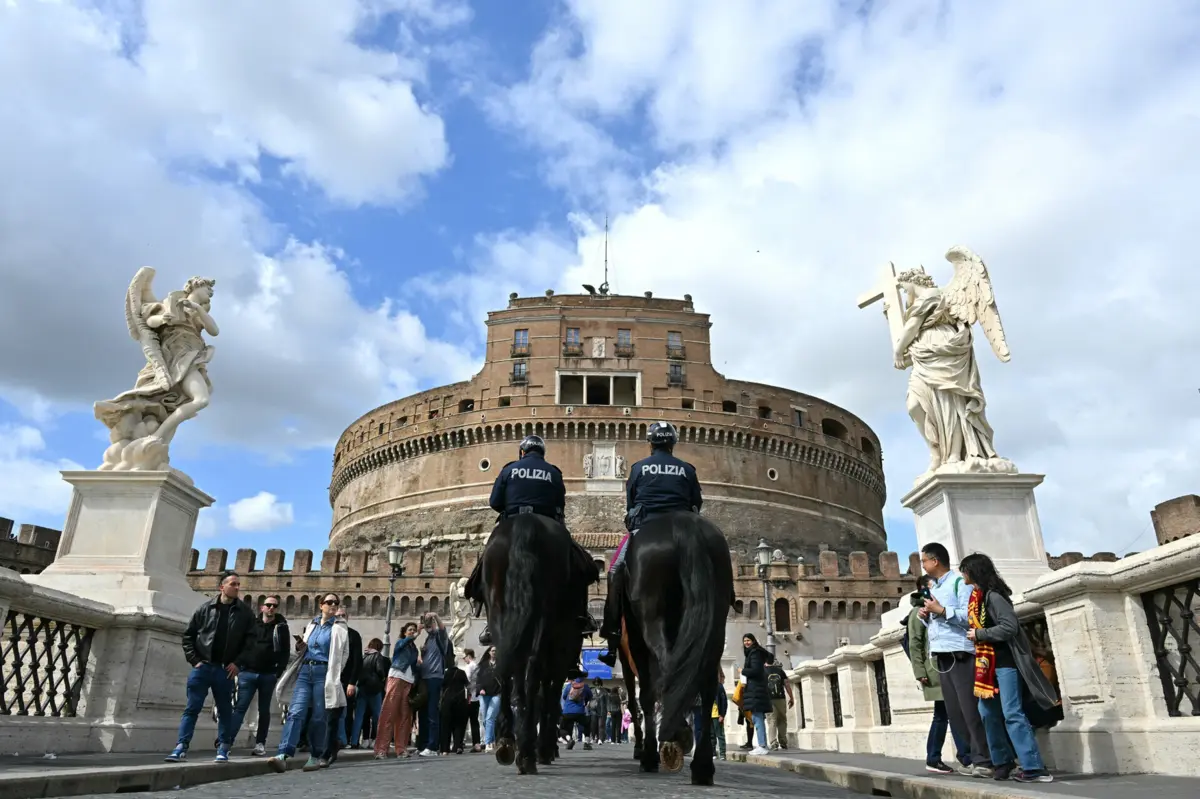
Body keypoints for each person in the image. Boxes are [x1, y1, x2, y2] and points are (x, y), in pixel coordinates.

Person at [465, 434, 598, 646]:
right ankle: (583, 616)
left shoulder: (509, 469)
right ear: (542, 453)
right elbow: (560, 506)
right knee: (582, 567)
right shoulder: (554, 473)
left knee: (484, 566)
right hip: (549, 523)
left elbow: (494, 502)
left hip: (512, 520)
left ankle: (490, 622)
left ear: (522, 452)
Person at [598, 421, 702, 667]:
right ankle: (727, 595)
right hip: (683, 528)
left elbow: (631, 503)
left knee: (614, 571)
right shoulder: (687, 469)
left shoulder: (639, 468)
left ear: (651, 443)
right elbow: (697, 502)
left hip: (646, 527)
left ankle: (612, 637)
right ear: (672, 443)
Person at [962, 554, 1058, 784]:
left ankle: (1034, 767)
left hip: (1005, 663)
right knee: (987, 713)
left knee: (1012, 713)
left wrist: (980, 634)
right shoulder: (977, 598)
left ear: (974, 571)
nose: (962, 574)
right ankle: (1002, 762)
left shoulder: (994, 597)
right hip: (987, 666)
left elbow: (1010, 627)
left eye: (964, 570)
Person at [918, 543, 994, 777]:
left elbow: (970, 617)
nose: (922, 565)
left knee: (969, 709)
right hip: (941, 655)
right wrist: (926, 616)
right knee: (954, 712)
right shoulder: (935, 588)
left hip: (960, 653)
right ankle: (971, 758)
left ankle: (985, 760)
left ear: (935, 561)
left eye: (924, 561)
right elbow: (937, 621)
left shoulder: (959, 584)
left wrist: (940, 610)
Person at [166, 572, 256, 763]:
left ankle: (223, 747)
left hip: (225, 670)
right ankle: (181, 746)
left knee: (225, 711)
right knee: (192, 708)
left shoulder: (245, 613)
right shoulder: (205, 609)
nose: (237, 587)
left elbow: (251, 643)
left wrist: (238, 663)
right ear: (221, 587)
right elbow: (189, 636)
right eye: (233, 584)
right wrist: (194, 660)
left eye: (239, 584)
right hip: (203, 667)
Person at [268, 594, 351, 773]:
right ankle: (283, 755)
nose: (333, 605)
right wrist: (300, 646)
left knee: (319, 717)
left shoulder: (340, 627)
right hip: (305, 671)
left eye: (336, 603)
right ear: (321, 605)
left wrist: (335, 673)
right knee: (295, 712)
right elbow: (304, 649)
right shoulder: (312, 624)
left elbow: (344, 653)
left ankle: (315, 756)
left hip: (324, 673)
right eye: (329, 602)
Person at [906, 574, 971, 773]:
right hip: (935, 670)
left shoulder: (934, 610)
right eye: (932, 587)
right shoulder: (918, 612)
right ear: (923, 590)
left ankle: (935, 757)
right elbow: (915, 643)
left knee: (945, 714)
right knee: (948, 714)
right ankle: (964, 757)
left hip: (943, 666)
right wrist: (919, 671)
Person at [227, 594, 290, 756]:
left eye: (274, 606)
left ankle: (260, 743)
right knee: (240, 707)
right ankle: (227, 741)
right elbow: (241, 645)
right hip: (247, 672)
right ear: (262, 607)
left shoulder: (281, 627)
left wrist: (279, 672)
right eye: (268, 605)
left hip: (268, 674)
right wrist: (238, 664)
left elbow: (285, 651)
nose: (271, 608)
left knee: (264, 710)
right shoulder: (251, 624)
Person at [374, 622, 420, 759]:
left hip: (408, 681)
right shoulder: (401, 643)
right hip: (397, 677)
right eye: (410, 630)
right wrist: (413, 636)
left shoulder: (414, 649)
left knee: (405, 716)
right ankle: (381, 749)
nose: (412, 632)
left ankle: (401, 749)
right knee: (389, 712)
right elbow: (401, 646)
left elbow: (413, 666)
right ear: (404, 632)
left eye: (414, 630)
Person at [350, 638, 389, 748]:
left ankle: (354, 741)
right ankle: (376, 739)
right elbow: (380, 670)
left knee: (359, 716)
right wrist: (382, 679)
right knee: (377, 715)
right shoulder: (378, 656)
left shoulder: (364, 655)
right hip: (374, 689)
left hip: (362, 687)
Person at [739, 635, 773, 755]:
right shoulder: (754, 652)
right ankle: (761, 744)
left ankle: (762, 745)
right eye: (744, 641)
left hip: (755, 689)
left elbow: (756, 670)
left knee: (757, 717)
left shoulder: (754, 653)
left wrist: (742, 671)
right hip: (755, 689)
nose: (746, 643)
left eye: (748, 640)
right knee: (756, 718)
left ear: (753, 641)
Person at [764, 655, 793, 749]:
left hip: (768, 699)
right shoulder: (780, 671)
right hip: (781, 698)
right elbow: (787, 684)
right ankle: (783, 741)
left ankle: (773, 743)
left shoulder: (762, 671)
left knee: (771, 720)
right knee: (782, 720)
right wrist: (791, 697)